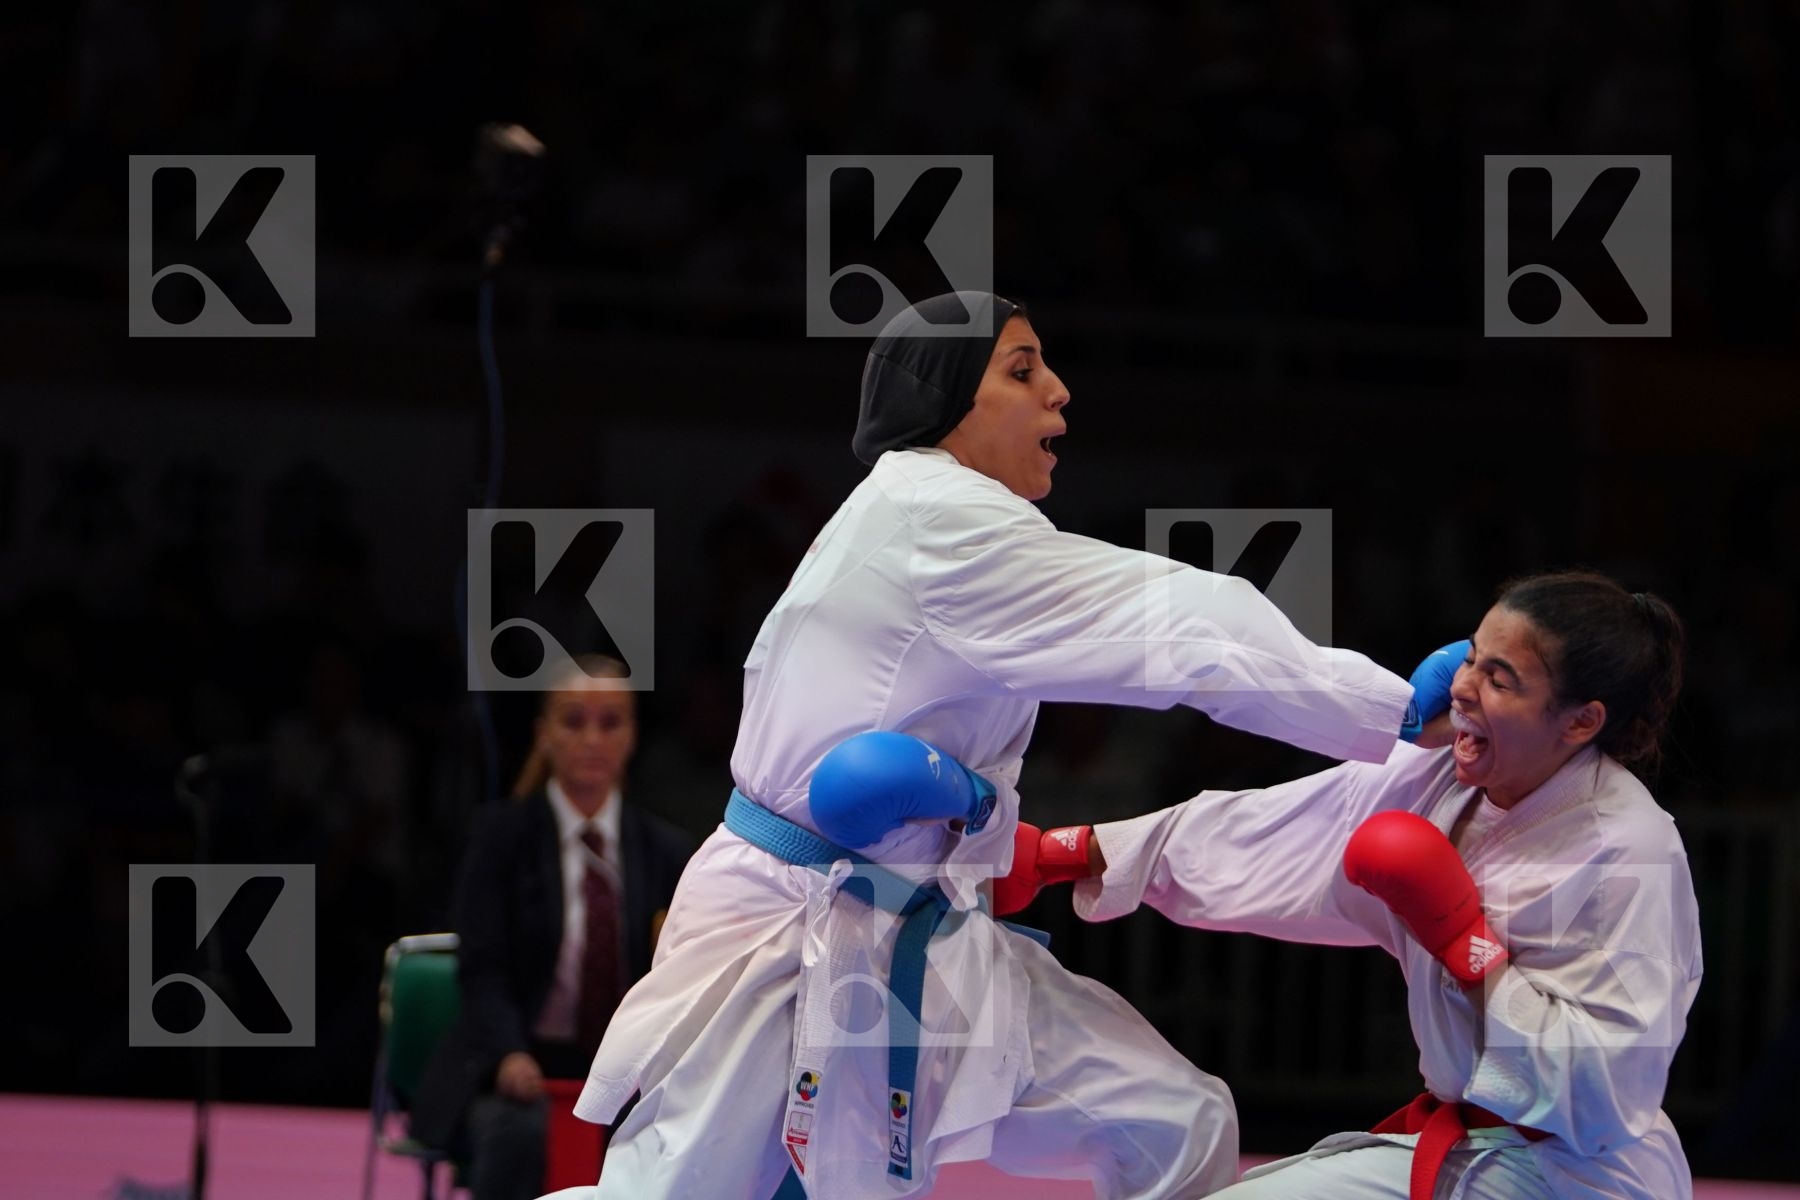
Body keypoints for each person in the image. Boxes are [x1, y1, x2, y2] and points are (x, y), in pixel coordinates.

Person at [571, 291, 1449, 1200]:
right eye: (1022, 371)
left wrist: (981, 823)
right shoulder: (942, 520)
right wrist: (1393, 712)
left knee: (1175, 1120)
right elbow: (1185, 624)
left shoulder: (919, 513)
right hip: (790, 935)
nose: (1059, 393)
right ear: (945, 399)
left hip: (918, 925)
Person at [1000, 571, 1700, 1200]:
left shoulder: (1629, 852)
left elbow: (1610, 1096)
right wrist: (1070, 853)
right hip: (1474, 1157)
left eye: (1500, 679)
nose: (1460, 689)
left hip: (1579, 1177)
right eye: (1470, 659)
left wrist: (1469, 949)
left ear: (1582, 721)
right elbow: (1279, 826)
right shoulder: (1444, 781)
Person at [414, 655, 694, 1200]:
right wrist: (508, 1054)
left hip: (620, 1070)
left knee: (674, 1138)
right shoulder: (499, 838)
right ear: (544, 735)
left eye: (610, 723)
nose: (593, 738)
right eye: (573, 721)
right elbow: (483, 969)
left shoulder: (666, 852)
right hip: (518, 1064)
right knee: (522, 1133)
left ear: (632, 735)